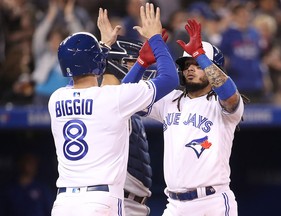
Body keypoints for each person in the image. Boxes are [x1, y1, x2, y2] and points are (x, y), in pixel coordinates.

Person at [49, 3, 179, 216]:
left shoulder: (56, 99)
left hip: (64, 202)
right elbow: (169, 79)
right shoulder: (112, 98)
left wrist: (104, 46)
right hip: (101, 200)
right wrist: (155, 38)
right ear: (97, 62)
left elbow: (82, 76)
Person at [122, 19, 247, 216]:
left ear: (213, 68)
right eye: (187, 64)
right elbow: (124, 98)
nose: (190, 68)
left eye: (197, 64)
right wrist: (141, 63)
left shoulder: (219, 104)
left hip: (212, 202)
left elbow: (230, 96)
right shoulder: (170, 100)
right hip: (174, 204)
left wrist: (201, 55)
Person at [101, 34, 168, 215]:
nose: (141, 67)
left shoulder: (126, 100)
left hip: (129, 202)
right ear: (117, 63)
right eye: (133, 62)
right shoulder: (105, 100)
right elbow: (169, 79)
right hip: (115, 201)